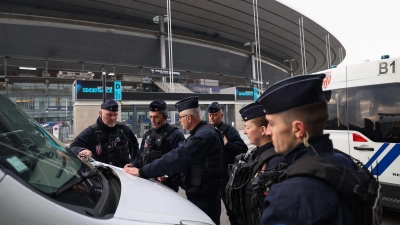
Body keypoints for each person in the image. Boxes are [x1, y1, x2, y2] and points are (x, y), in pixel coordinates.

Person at [256, 74, 357, 225]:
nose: (268, 131)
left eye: (272, 123)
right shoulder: (347, 163)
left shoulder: (288, 196)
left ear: (298, 129)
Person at [124, 96, 224, 224]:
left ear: (188, 117)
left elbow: (178, 157)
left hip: (204, 199)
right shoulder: (201, 133)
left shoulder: (204, 136)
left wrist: (142, 172)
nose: (179, 120)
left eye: (180, 117)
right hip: (199, 195)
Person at [226, 102, 285, 225]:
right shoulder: (254, 154)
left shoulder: (275, 161)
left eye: (248, 127)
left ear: (263, 130)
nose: (245, 132)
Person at [130, 99, 185, 192]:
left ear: (165, 116)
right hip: (146, 184)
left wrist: (167, 175)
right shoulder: (147, 134)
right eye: (151, 117)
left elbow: (180, 162)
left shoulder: (175, 135)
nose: (152, 120)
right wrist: (133, 165)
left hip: (167, 188)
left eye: (156, 117)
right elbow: (140, 155)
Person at [208, 101, 247, 225]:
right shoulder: (206, 131)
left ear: (221, 115)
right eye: (210, 115)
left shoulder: (229, 131)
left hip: (226, 177)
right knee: (211, 212)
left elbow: (243, 148)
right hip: (211, 178)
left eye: (215, 115)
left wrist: (228, 144)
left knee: (232, 211)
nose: (212, 117)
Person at [69, 99, 139, 167]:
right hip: (102, 175)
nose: (113, 118)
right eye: (109, 115)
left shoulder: (123, 129)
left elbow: (135, 147)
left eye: (115, 115)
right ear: (100, 113)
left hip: (124, 173)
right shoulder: (91, 132)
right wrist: (82, 150)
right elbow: (73, 146)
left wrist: (134, 164)